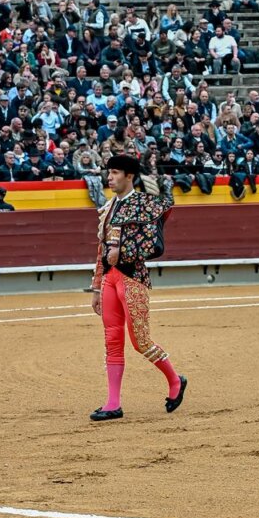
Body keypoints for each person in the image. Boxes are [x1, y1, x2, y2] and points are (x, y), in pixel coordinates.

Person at [87, 155, 186, 422]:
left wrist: (124, 251)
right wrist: (96, 287)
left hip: (133, 278)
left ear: (129, 176)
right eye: (109, 172)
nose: (110, 177)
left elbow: (154, 244)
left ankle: (175, 380)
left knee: (141, 341)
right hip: (110, 278)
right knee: (112, 341)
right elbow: (101, 249)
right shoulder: (107, 208)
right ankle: (113, 403)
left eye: (115, 172)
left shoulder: (144, 204)